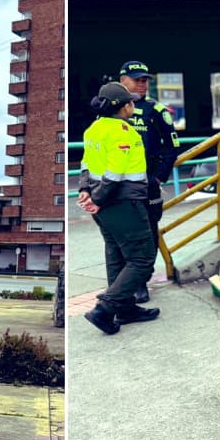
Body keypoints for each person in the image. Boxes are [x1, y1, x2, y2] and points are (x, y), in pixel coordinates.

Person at [77, 81, 160, 335]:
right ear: (121, 107)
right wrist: (98, 198)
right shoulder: (123, 132)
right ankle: (105, 308)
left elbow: (86, 164)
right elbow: (115, 173)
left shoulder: (94, 129)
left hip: (104, 206)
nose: (133, 104)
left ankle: (124, 309)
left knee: (116, 254)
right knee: (142, 258)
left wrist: (86, 191)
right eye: (129, 101)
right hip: (123, 203)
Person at [118, 60, 180, 302]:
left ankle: (141, 280)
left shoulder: (157, 110)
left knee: (148, 233)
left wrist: (158, 178)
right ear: (123, 80)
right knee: (123, 234)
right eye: (137, 79)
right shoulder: (111, 110)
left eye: (145, 80)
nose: (142, 84)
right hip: (118, 185)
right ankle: (123, 281)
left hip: (148, 185)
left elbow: (172, 147)